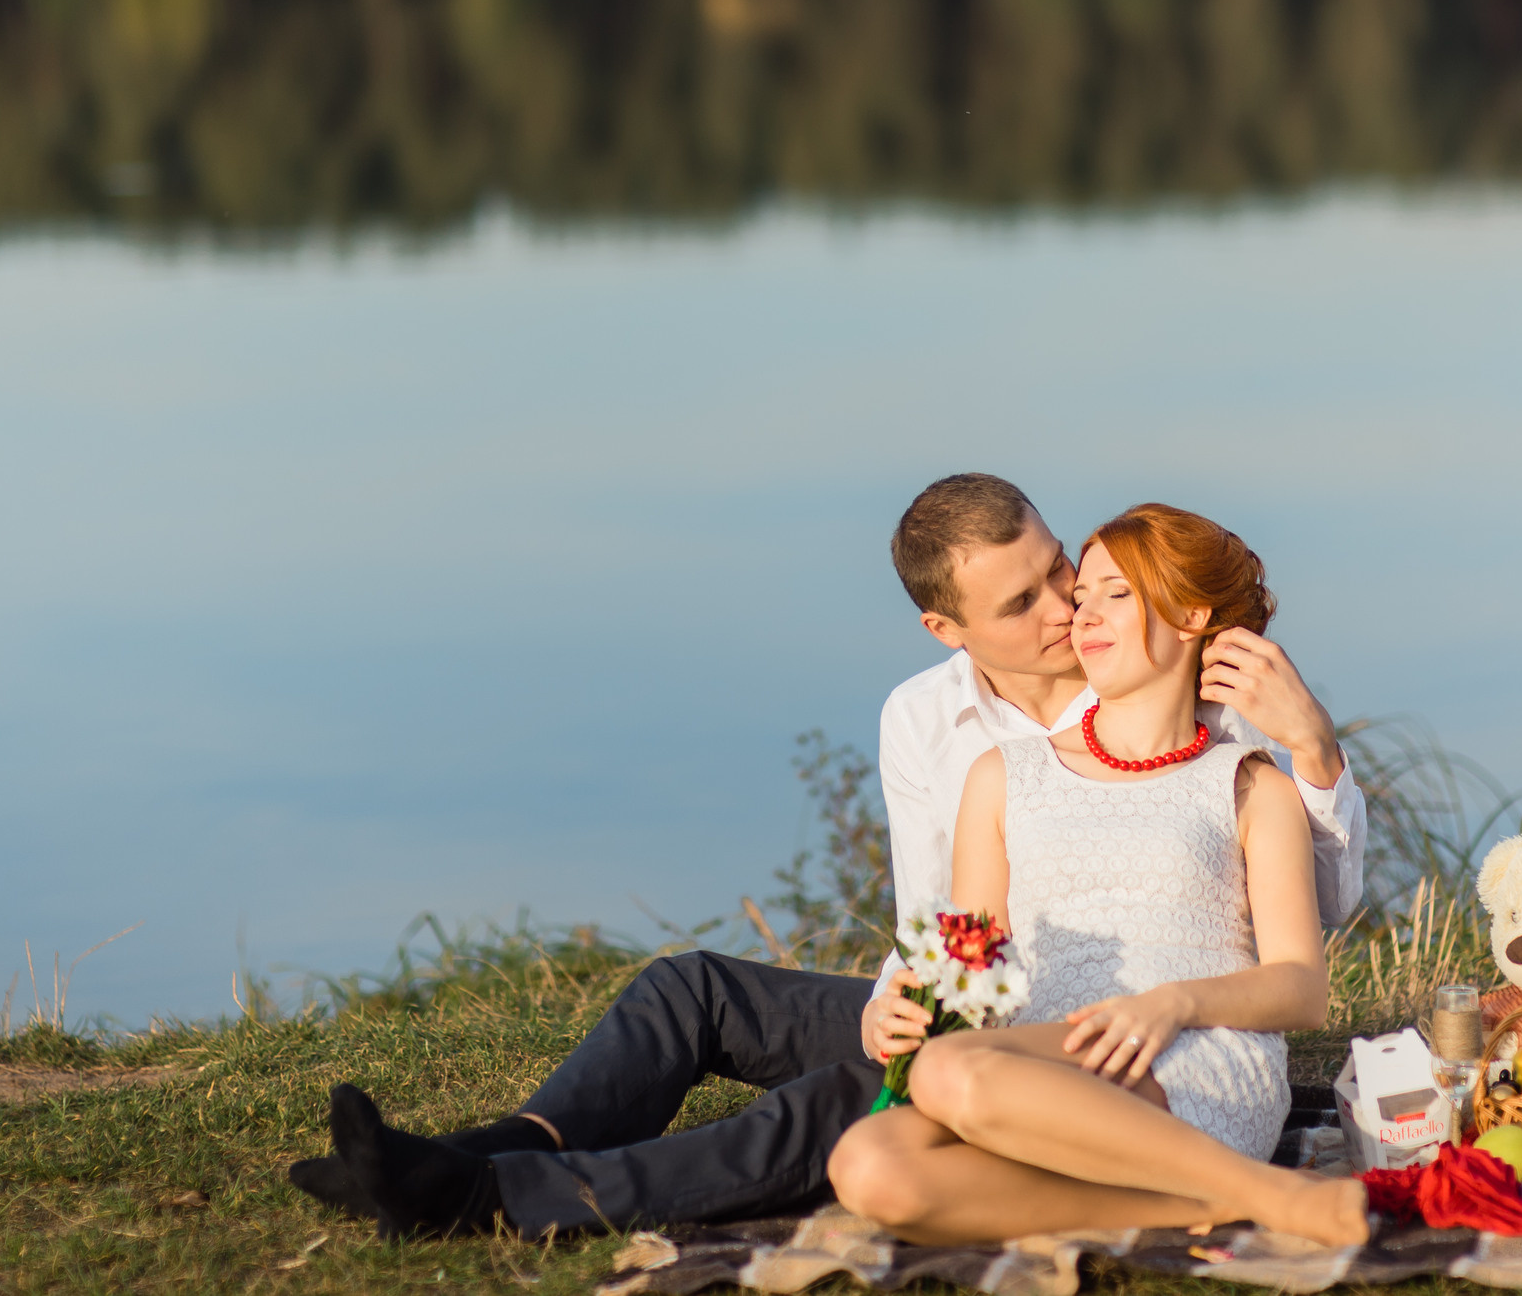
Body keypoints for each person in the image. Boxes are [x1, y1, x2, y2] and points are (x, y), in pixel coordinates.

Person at [298, 474, 1364, 1241]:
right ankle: (497, 1146)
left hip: (1117, 1039)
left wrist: (1311, 749)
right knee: (706, 999)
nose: (1063, 612)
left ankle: (492, 1197)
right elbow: (948, 927)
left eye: (1064, 578)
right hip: (1001, 1014)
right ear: (945, 626)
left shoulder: (1202, 735)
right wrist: (905, 998)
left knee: (841, 1107)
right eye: (1031, 600)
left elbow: (1298, 932)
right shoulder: (938, 726)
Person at [824, 503, 1368, 1244]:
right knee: (867, 1165)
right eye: (1085, 595)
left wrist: (1171, 1004)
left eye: (1116, 593)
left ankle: (1267, 1192)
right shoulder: (1001, 776)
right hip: (1031, 1073)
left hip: (1186, 1052)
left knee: (949, 1072)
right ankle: (1234, 1196)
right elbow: (969, 956)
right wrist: (905, 1002)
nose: (1079, 612)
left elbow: (1302, 986)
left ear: (1190, 614)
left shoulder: (1246, 781)